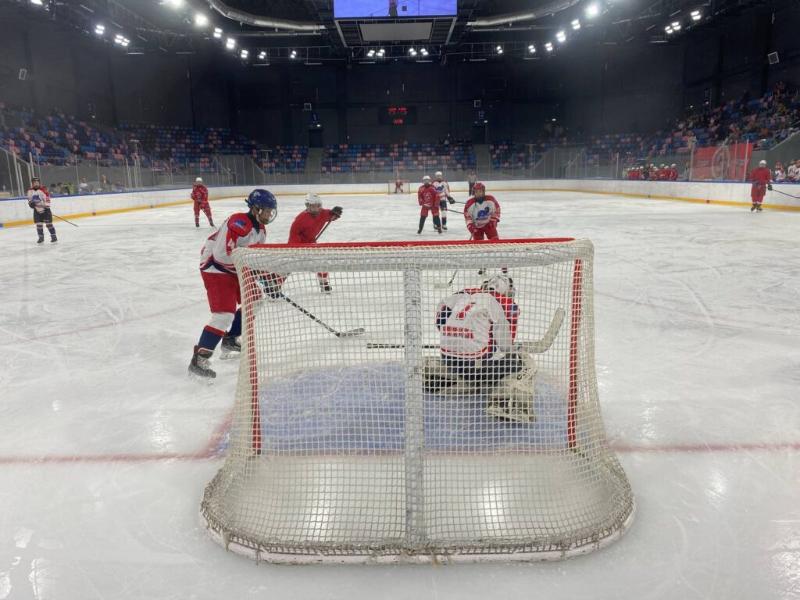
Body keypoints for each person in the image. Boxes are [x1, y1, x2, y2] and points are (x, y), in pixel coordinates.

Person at [188, 189, 277, 379]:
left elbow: (253, 257)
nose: (270, 214)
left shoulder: (261, 230)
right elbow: (221, 255)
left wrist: (264, 277)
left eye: (271, 211)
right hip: (215, 268)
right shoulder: (238, 222)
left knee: (255, 300)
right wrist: (249, 269)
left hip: (233, 268)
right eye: (267, 210)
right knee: (223, 315)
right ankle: (199, 359)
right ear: (256, 209)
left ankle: (230, 338)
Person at [425, 274, 535, 422]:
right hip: (477, 367)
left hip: (448, 360)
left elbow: (440, 318)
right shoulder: (502, 303)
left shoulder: (464, 293)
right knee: (522, 363)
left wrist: (459, 336)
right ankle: (503, 402)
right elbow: (505, 346)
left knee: (474, 357)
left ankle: (456, 380)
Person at [288, 193, 343, 293]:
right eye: (313, 206)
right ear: (307, 206)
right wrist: (296, 250)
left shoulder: (322, 213)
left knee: (322, 260)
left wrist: (335, 213)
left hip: (312, 243)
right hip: (298, 246)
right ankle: (276, 284)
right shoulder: (299, 220)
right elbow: (293, 238)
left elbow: (330, 215)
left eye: (318, 206)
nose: (316, 209)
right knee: (288, 265)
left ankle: (323, 282)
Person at [26, 177, 56, 244]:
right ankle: (41, 238)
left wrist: (46, 206)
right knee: (39, 224)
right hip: (37, 210)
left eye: (37, 182)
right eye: (34, 182)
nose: (36, 184)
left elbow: (47, 198)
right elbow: (29, 199)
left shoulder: (43, 189)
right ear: (32, 183)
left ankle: (53, 236)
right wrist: (31, 204)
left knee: (49, 224)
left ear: (39, 183)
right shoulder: (30, 191)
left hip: (45, 210)